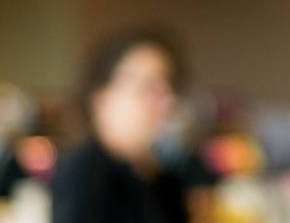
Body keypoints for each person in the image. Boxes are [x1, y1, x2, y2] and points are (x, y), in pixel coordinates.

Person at [51, 30, 201, 223]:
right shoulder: (84, 176)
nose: (167, 101)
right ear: (102, 99)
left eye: (168, 88)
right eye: (147, 87)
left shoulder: (162, 179)